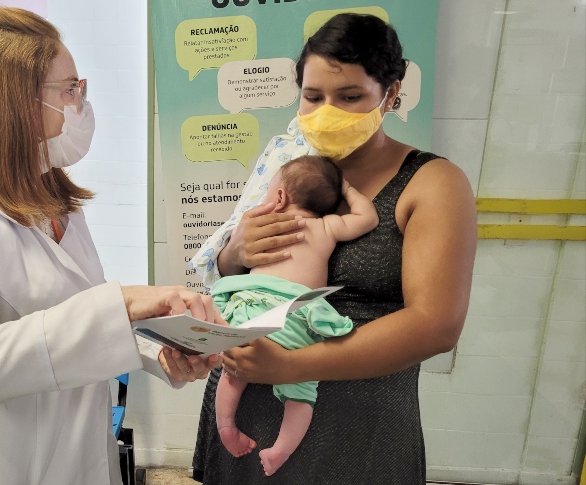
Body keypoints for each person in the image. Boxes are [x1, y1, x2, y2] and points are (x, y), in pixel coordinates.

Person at [0, 5, 222, 485]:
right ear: (14, 101)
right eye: (70, 89)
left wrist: (158, 348)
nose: (81, 103)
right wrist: (120, 302)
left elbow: (76, 324)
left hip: (82, 456)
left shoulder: (54, 196)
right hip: (10, 467)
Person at [191, 13, 477, 484]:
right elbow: (227, 270)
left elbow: (436, 326)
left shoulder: (432, 184)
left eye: (349, 97)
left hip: (356, 431)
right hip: (243, 416)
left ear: (391, 94)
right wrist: (236, 250)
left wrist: (289, 365)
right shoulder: (284, 164)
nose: (327, 111)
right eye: (313, 96)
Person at [213, 155, 378, 476]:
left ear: (279, 197)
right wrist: (346, 189)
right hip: (298, 317)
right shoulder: (327, 226)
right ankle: (280, 451)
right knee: (301, 392)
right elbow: (367, 218)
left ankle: (226, 428)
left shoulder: (264, 225)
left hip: (254, 307)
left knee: (233, 372)